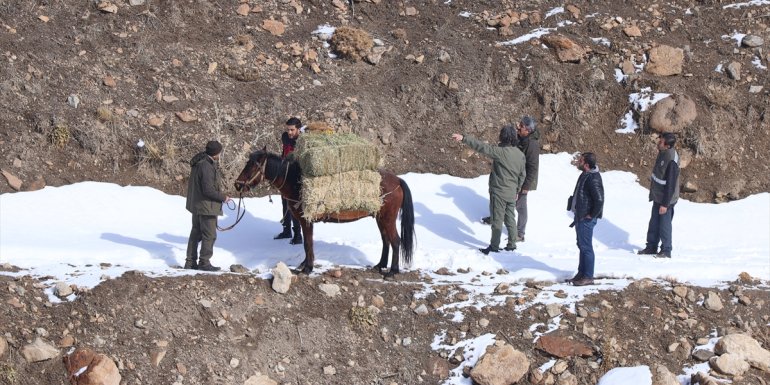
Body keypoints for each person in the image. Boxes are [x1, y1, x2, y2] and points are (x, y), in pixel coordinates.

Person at [452, 126, 526, 255]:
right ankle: (512, 245)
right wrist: (517, 190)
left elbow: (482, 147)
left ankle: (494, 246)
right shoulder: (520, 154)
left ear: (503, 137)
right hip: (511, 193)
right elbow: (522, 175)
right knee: (510, 218)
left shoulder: (500, 152)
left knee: (497, 220)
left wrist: (464, 138)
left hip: (499, 192)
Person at [482, 116, 539, 244]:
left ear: (528, 130)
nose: (518, 126)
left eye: (521, 126)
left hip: (523, 179)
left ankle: (520, 233)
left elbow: (532, 168)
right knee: (498, 198)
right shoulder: (519, 137)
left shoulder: (532, 145)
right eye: (520, 124)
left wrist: (525, 186)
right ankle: (495, 218)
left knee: (520, 205)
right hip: (511, 175)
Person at [185, 140, 231, 271]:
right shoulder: (206, 166)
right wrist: (223, 198)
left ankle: (190, 262)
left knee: (195, 233)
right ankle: (204, 263)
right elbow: (208, 190)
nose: (220, 155)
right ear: (216, 153)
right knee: (209, 235)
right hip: (206, 207)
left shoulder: (199, 162)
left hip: (197, 205)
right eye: (219, 153)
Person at [638, 132, 680, 258]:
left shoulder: (671, 160)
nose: (658, 143)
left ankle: (666, 250)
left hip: (666, 200)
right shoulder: (663, 152)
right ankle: (651, 247)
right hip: (658, 196)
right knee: (654, 223)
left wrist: (665, 204)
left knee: (664, 226)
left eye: (661, 142)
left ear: (667, 145)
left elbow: (671, 184)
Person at [566, 152, 604, 286]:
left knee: (586, 247)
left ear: (587, 165)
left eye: (581, 161)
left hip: (586, 218)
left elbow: (599, 200)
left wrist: (591, 215)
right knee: (582, 245)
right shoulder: (585, 174)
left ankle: (588, 276)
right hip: (580, 216)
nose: (578, 162)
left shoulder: (593, 178)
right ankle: (581, 274)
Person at [274, 117, 303, 245]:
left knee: (294, 207)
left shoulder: (303, 141)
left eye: (292, 130)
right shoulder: (285, 137)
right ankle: (286, 231)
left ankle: (297, 235)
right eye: (288, 129)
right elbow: (284, 153)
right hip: (284, 177)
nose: (289, 132)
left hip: (296, 178)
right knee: (285, 204)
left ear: (298, 129)